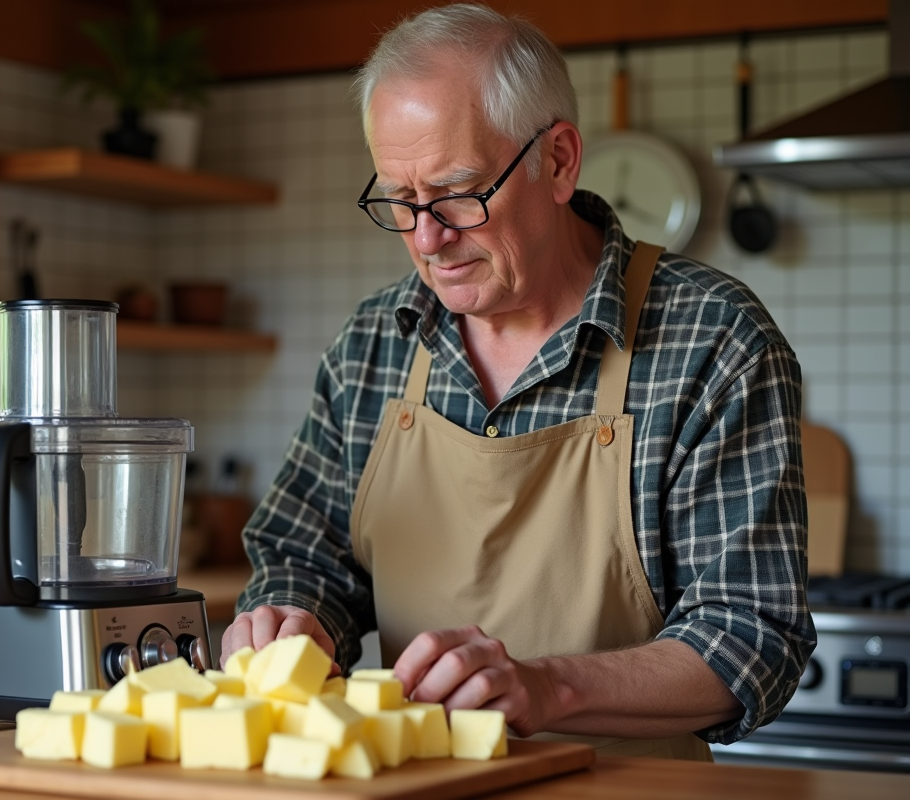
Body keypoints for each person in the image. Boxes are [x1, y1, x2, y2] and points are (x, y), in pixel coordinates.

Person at [221, 3, 814, 759]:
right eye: (400, 202)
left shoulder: (714, 339)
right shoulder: (373, 344)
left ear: (559, 161)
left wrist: (545, 689)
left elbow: (752, 637)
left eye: (458, 194)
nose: (428, 240)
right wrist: (291, 617)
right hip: (414, 779)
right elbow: (307, 556)